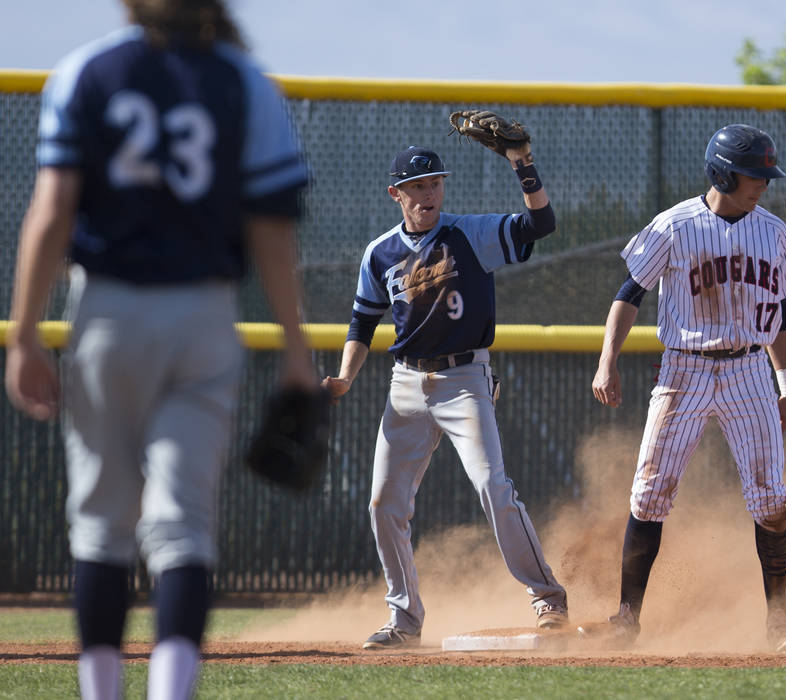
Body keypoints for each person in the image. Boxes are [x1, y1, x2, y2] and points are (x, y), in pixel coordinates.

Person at [3, 1, 316, 697]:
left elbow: (51, 212)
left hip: (107, 311)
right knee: (183, 528)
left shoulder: (87, 71)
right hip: (203, 317)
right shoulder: (242, 80)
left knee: (102, 525)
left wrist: (24, 334)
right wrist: (297, 350)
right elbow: (271, 230)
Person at [323, 141, 569, 649]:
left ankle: (547, 596)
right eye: (417, 186)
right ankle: (404, 621)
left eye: (435, 182)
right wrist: (346, 376)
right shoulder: (381, 252)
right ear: (396, 193)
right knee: (384, 503)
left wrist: (522, 165)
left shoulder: (468, 234)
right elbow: (362, 322)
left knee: (490, 485)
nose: (428, 192)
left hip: (465, 381)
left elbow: (539, 227)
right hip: (406, 385)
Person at [590, 124, 786, 653]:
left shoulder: (774, 231)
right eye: (754, 174)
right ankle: (627, 619)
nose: (763, 183)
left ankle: (779, 622)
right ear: (721, 173)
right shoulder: (674, 225)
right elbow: (629, 292)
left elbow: (780, 313)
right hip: (683, 370)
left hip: (749, 372)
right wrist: (607, 361)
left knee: (769, 499)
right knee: (649, 493)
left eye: (765, 174)